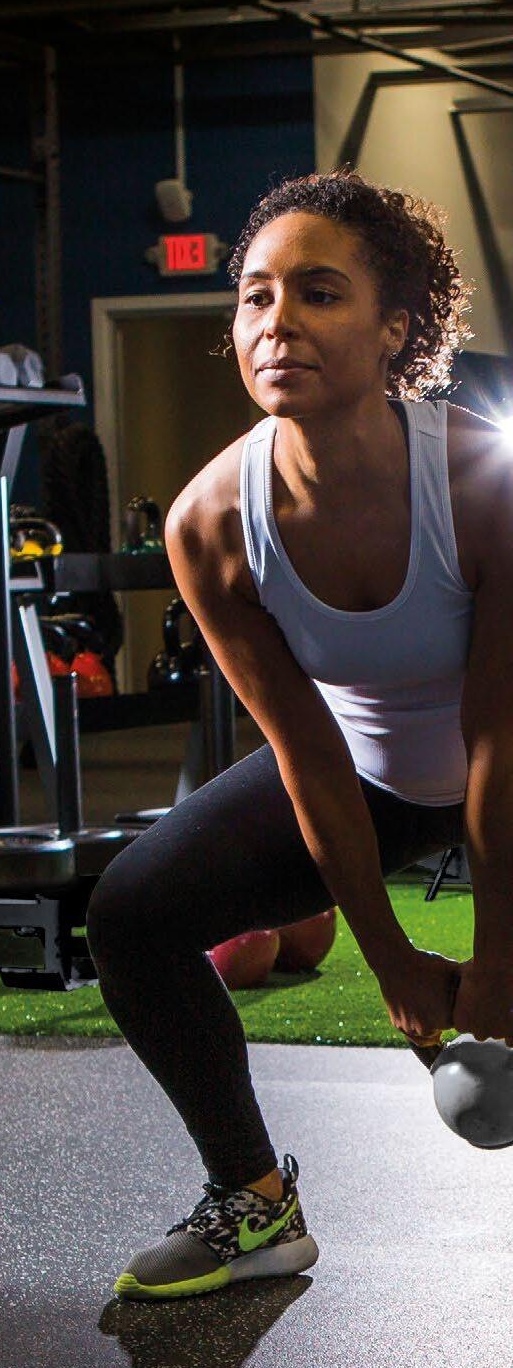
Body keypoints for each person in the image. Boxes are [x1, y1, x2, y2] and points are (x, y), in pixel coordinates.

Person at [90, 166, 508, 1300]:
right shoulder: (212, 521)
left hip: (506, 760)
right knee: (132, 913)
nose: (278, 323)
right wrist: (391, 959)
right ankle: (253, 1202)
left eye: (320, 293)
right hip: (369, 774)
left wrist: (498, 954)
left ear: (395, 328)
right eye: (256, 297)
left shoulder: (479, 480)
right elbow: (308, 751)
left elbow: (495, 736)